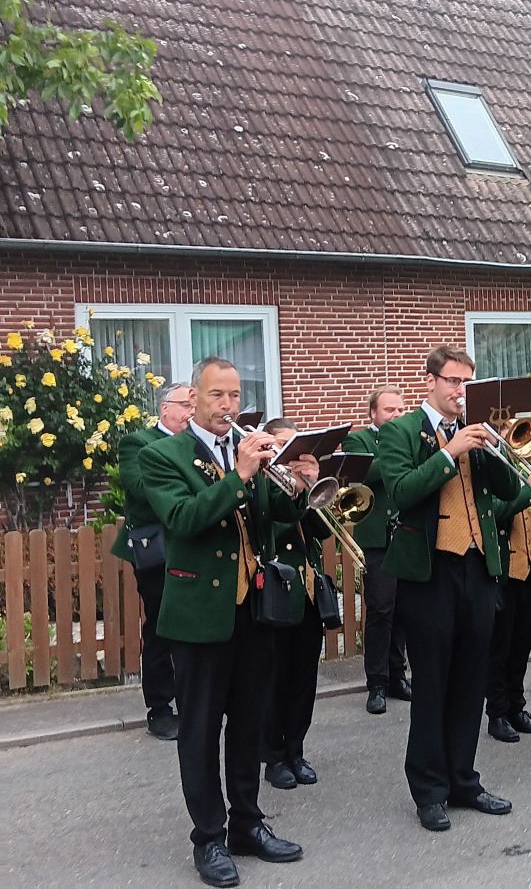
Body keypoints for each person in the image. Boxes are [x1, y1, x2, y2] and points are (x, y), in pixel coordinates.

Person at [141, 358, 319, 888]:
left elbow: (270, 521)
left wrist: (298, 488)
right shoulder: (163, 455)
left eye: (235, 396)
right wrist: (241, 475)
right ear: (193, 399)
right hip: (200, 615)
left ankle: (247, 823)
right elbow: (185, 520)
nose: (227, 406)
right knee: (199, 730)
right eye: (217, 395)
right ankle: (208, 837)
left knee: (248, 723)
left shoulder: (247, 450)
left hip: (252, 611)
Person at [376, 345, 521, 832]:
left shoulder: (475, 430)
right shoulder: (400, 431)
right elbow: (400, 491)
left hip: (477, 566)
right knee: (433, 683)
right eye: (454, 381)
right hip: (430, 571)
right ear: (431, 381)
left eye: (466, 382)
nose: (461, 391)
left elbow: (507, 491)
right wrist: (449, 452)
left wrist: (499, 447)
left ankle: (464, 780)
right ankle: (429, 789)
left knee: (470, 681)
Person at [111, 381, 193, 740]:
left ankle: (194, 701)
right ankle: (159, 708)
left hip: (194, 544)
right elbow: (142, 487)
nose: (191, 412)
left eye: (195, 406)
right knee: (161, 625)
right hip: (156, 548)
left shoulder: (198, 443)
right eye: (185, 405)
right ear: (165, 408)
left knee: (195, 625)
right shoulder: (138, 442)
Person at [260, 418, 331, 790]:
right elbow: (273, 526)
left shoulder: (302, 483)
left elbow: (324, 531)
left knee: (304, 678)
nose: (290, 454)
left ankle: (296, 750)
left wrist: (314, 488)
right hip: (277, 588)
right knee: (274, 678)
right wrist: (294, 492)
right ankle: (273, 756)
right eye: (282, 446)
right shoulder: (261, 482)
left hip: (307, 591)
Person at [342, 387, 410, 715]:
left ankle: (398, 675)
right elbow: (364, 474)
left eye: (400, 410)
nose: (396, 415)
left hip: (406, 535)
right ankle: (377, 683)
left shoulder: (410, 438)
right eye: (389, 410)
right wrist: (400, 455)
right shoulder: (358, 440)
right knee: (381, 609)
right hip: (377, 538)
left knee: (404, 610)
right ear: (373, 414)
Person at [485, 468, 531, 743]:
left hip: (528, 573)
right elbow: (496, 512)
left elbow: (529, 519)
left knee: (521, 648)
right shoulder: (494, 477)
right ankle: (497, 714)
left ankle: (516, 708)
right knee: (499, 650)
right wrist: (529, 490)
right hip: (505, 574)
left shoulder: (523, 478)